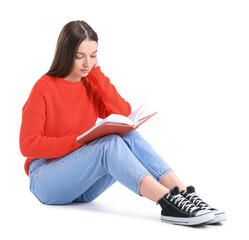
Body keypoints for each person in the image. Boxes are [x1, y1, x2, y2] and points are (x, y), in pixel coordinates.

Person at [19, 20, 226, 226]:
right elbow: (27, 144)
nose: (87, 64)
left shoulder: (90, 83)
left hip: (82, 187)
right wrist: (80, 142)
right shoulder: (43, 88)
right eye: (79, 56)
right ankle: (167, 201)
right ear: (65, 54)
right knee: (108, 145)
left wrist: (97, 76)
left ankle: (183, 193)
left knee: (127, 134)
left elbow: (124, 114)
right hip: (46, 181)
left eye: (93, 56)